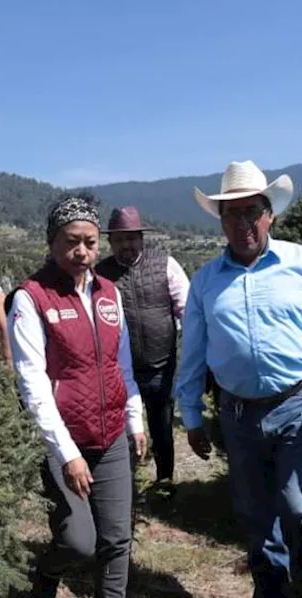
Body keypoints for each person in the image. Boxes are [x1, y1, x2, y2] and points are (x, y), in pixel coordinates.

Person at [174, 160, 302, 598]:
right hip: (236, 414)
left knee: (300, 509)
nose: (243, 224)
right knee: (257, 518)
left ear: (270, 214)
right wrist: (192, 415)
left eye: (251, 213)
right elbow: (192, 353)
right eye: (231, 215)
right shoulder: (206, 281)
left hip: (298, 406)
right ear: (221, 222)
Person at [8, 192, 148, 598]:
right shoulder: (32, 298)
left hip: (110, 436)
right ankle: (46, 576)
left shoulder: (109, 293)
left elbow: (121, 362)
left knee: (117, 538)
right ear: (52, 242)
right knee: (78, 541)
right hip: (62, 439)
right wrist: (65, 451)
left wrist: (135, 417)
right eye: (72, 242)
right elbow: (32, 383)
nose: (83, 252)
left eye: (90, 242)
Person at [94, 206, 189, 499]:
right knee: (121, 426)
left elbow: (186, 307)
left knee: (161, 423)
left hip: (161, 362)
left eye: (132, 238)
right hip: (120, 368)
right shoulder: (100, 275)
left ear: (141, 238)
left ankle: (164, 479)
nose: (126, 245)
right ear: (111, 242)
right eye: (120, 239)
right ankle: (126, 482)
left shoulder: (165, 265)